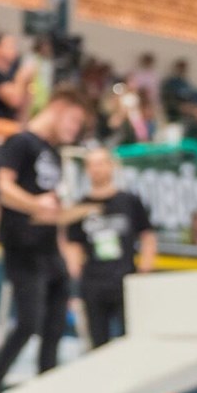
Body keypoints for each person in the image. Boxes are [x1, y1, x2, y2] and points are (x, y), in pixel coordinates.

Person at [0, 86, 89, 393]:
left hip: (49, 247)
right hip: (22, 245)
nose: (75, 129)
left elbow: (51, 203)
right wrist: (34, 204)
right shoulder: (21, 142)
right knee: (28, 323)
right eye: (74, 120)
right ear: (57, 107)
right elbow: (2, 186)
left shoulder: (53, 152)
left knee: (55, 328)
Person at [63, 147, 155, 349]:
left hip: (125, 277)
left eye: (101, 163)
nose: (96, 169)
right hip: (94, 281)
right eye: (91, 165)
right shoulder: (80, 206)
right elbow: (72, 242)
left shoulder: (129, 201)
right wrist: (74, 270)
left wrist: (145, 268)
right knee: (97, 343)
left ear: (111, 166)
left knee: (130, 339)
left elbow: (147, 235)